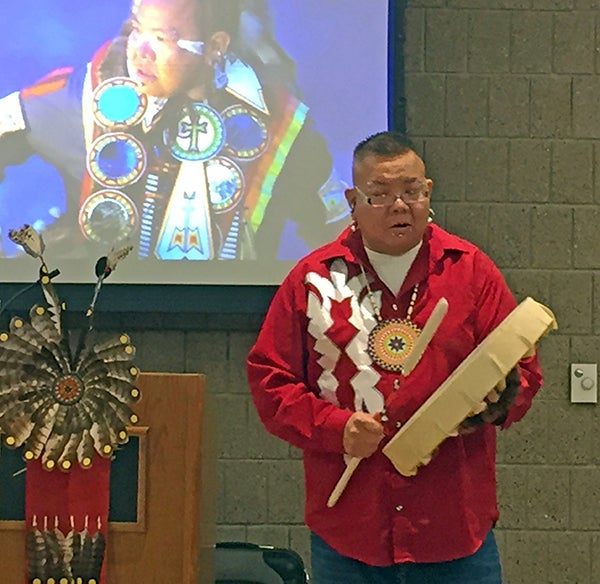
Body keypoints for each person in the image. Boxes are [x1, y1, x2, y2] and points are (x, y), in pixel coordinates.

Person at [246, 131, 543, 583]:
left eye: (412, 192)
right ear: (352, 200)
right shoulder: (312, 280)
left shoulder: (470, 271)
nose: (400, 206)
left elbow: (523, 369)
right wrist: (337, 428)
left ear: (428, 192)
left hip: (453, 529)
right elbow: (271, 382)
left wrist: (493, 398)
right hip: (350, 529)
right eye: (380, 195)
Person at [0, 0, 344, 260]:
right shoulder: (80, 99)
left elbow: (339, 232)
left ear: (214, 46)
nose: (140, 51)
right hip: (93, 330)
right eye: (137, 29)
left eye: (163, 37)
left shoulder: (281, 126)